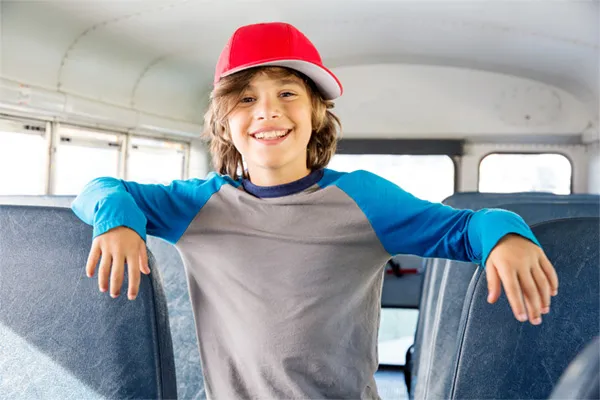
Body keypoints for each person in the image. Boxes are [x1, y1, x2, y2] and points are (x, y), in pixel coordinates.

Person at [71, 22, 558, 400]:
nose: (267, 112)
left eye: (287, 93)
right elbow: (98, 188)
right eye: (246, 99)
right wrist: (116, 219)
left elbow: (469, 226)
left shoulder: (366, 199)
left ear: (316, 113)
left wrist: (507, 236)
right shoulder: (198, 203)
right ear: (225, 120)